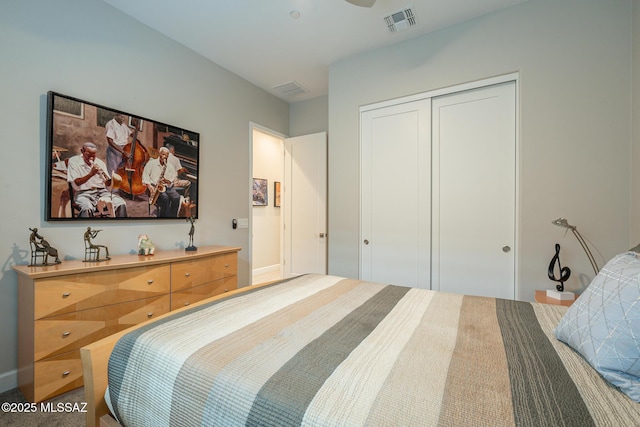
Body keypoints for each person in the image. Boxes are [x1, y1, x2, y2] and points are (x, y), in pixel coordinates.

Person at [67, 142, 127, 218]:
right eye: (88, 155)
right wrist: (91, 174)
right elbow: (77, 182)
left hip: (102, 192)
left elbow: (107, 183)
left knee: (121, 203)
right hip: (83, 194)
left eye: (93, 155)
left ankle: (120, 227)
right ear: (82, 151)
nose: (91, 158)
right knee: (87, 208)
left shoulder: (100, 163)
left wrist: (113, 180)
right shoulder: (74, 161)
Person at [142, 147, 181, 217]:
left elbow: (173, 178)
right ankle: (163, 217)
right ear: (159, 154)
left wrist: (167, 180)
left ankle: (173, 216)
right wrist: (149, 186)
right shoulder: (151, 163)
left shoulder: (169, 166)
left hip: (167, 187)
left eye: (167, 156)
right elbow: (145, 176)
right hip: (155, 187)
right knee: (165, 198)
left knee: (177, 197)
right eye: (163, 155)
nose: (165, 157)